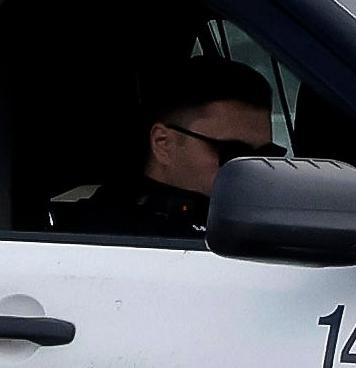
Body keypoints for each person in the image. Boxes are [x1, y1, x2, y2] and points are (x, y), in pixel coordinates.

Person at [84, 56, 279, 234]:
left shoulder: (270, 223)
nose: (252, 171)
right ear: (163, 143)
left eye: (266, 156)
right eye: (232, 154)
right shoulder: (104, 238)